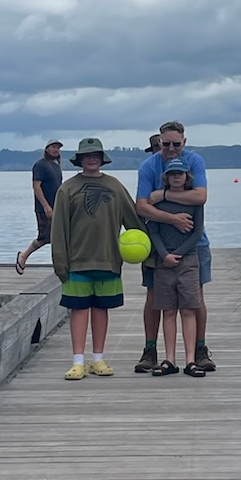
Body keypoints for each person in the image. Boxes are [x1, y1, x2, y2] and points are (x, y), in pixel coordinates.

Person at [50, 137, 146, 380]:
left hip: (108, 259)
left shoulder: (115, 186)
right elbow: (58, 228)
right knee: (79, 310)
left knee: (102, 309)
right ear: (80, 159)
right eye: (86, 155)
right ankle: (78, 361)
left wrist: (151, 248)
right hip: (76, 261)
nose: (91, 158)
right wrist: (60, 261)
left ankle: (98, 359)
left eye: (96, 155)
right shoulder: (67, 188)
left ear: (102, 158)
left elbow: (133, 222)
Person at [133, 120, 215, 373]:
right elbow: (142, 205)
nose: (170, 148)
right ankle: (150, 350)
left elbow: (200, 197)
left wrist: (165, 196)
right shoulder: (149, 165)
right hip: (159, 244)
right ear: (159, 141)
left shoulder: (195, 161)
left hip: (194, 244)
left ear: (184, 142)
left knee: (195, 297)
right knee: (154, 296)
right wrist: (172, 218)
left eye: (176, 144)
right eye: (165, 143)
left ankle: (199, 350)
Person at [146, 157, 206, 377]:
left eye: (180, 174)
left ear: (186, 177)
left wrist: (179, 254)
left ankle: (190, 360)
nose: (176, 177)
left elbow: (197, 232)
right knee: (168, 311)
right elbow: (153, 231)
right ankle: (169, 359)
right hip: (164, 263)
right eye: (172, 174)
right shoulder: (158, 203)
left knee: (188, 310)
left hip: (188, 261)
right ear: (167, 178)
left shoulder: (195, 203)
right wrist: (164, 255)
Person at [15, 137, 64, 274]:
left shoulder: (56, 166)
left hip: (57, 207)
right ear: (47, 149)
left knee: (60, 236)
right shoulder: (40, 165)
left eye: (58, 148)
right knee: (45, 237)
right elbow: (36, 186)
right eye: (53, 147)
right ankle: (23, 256)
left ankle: (62, 264)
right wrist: (46, 207)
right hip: (44, 208)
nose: (56, 150)